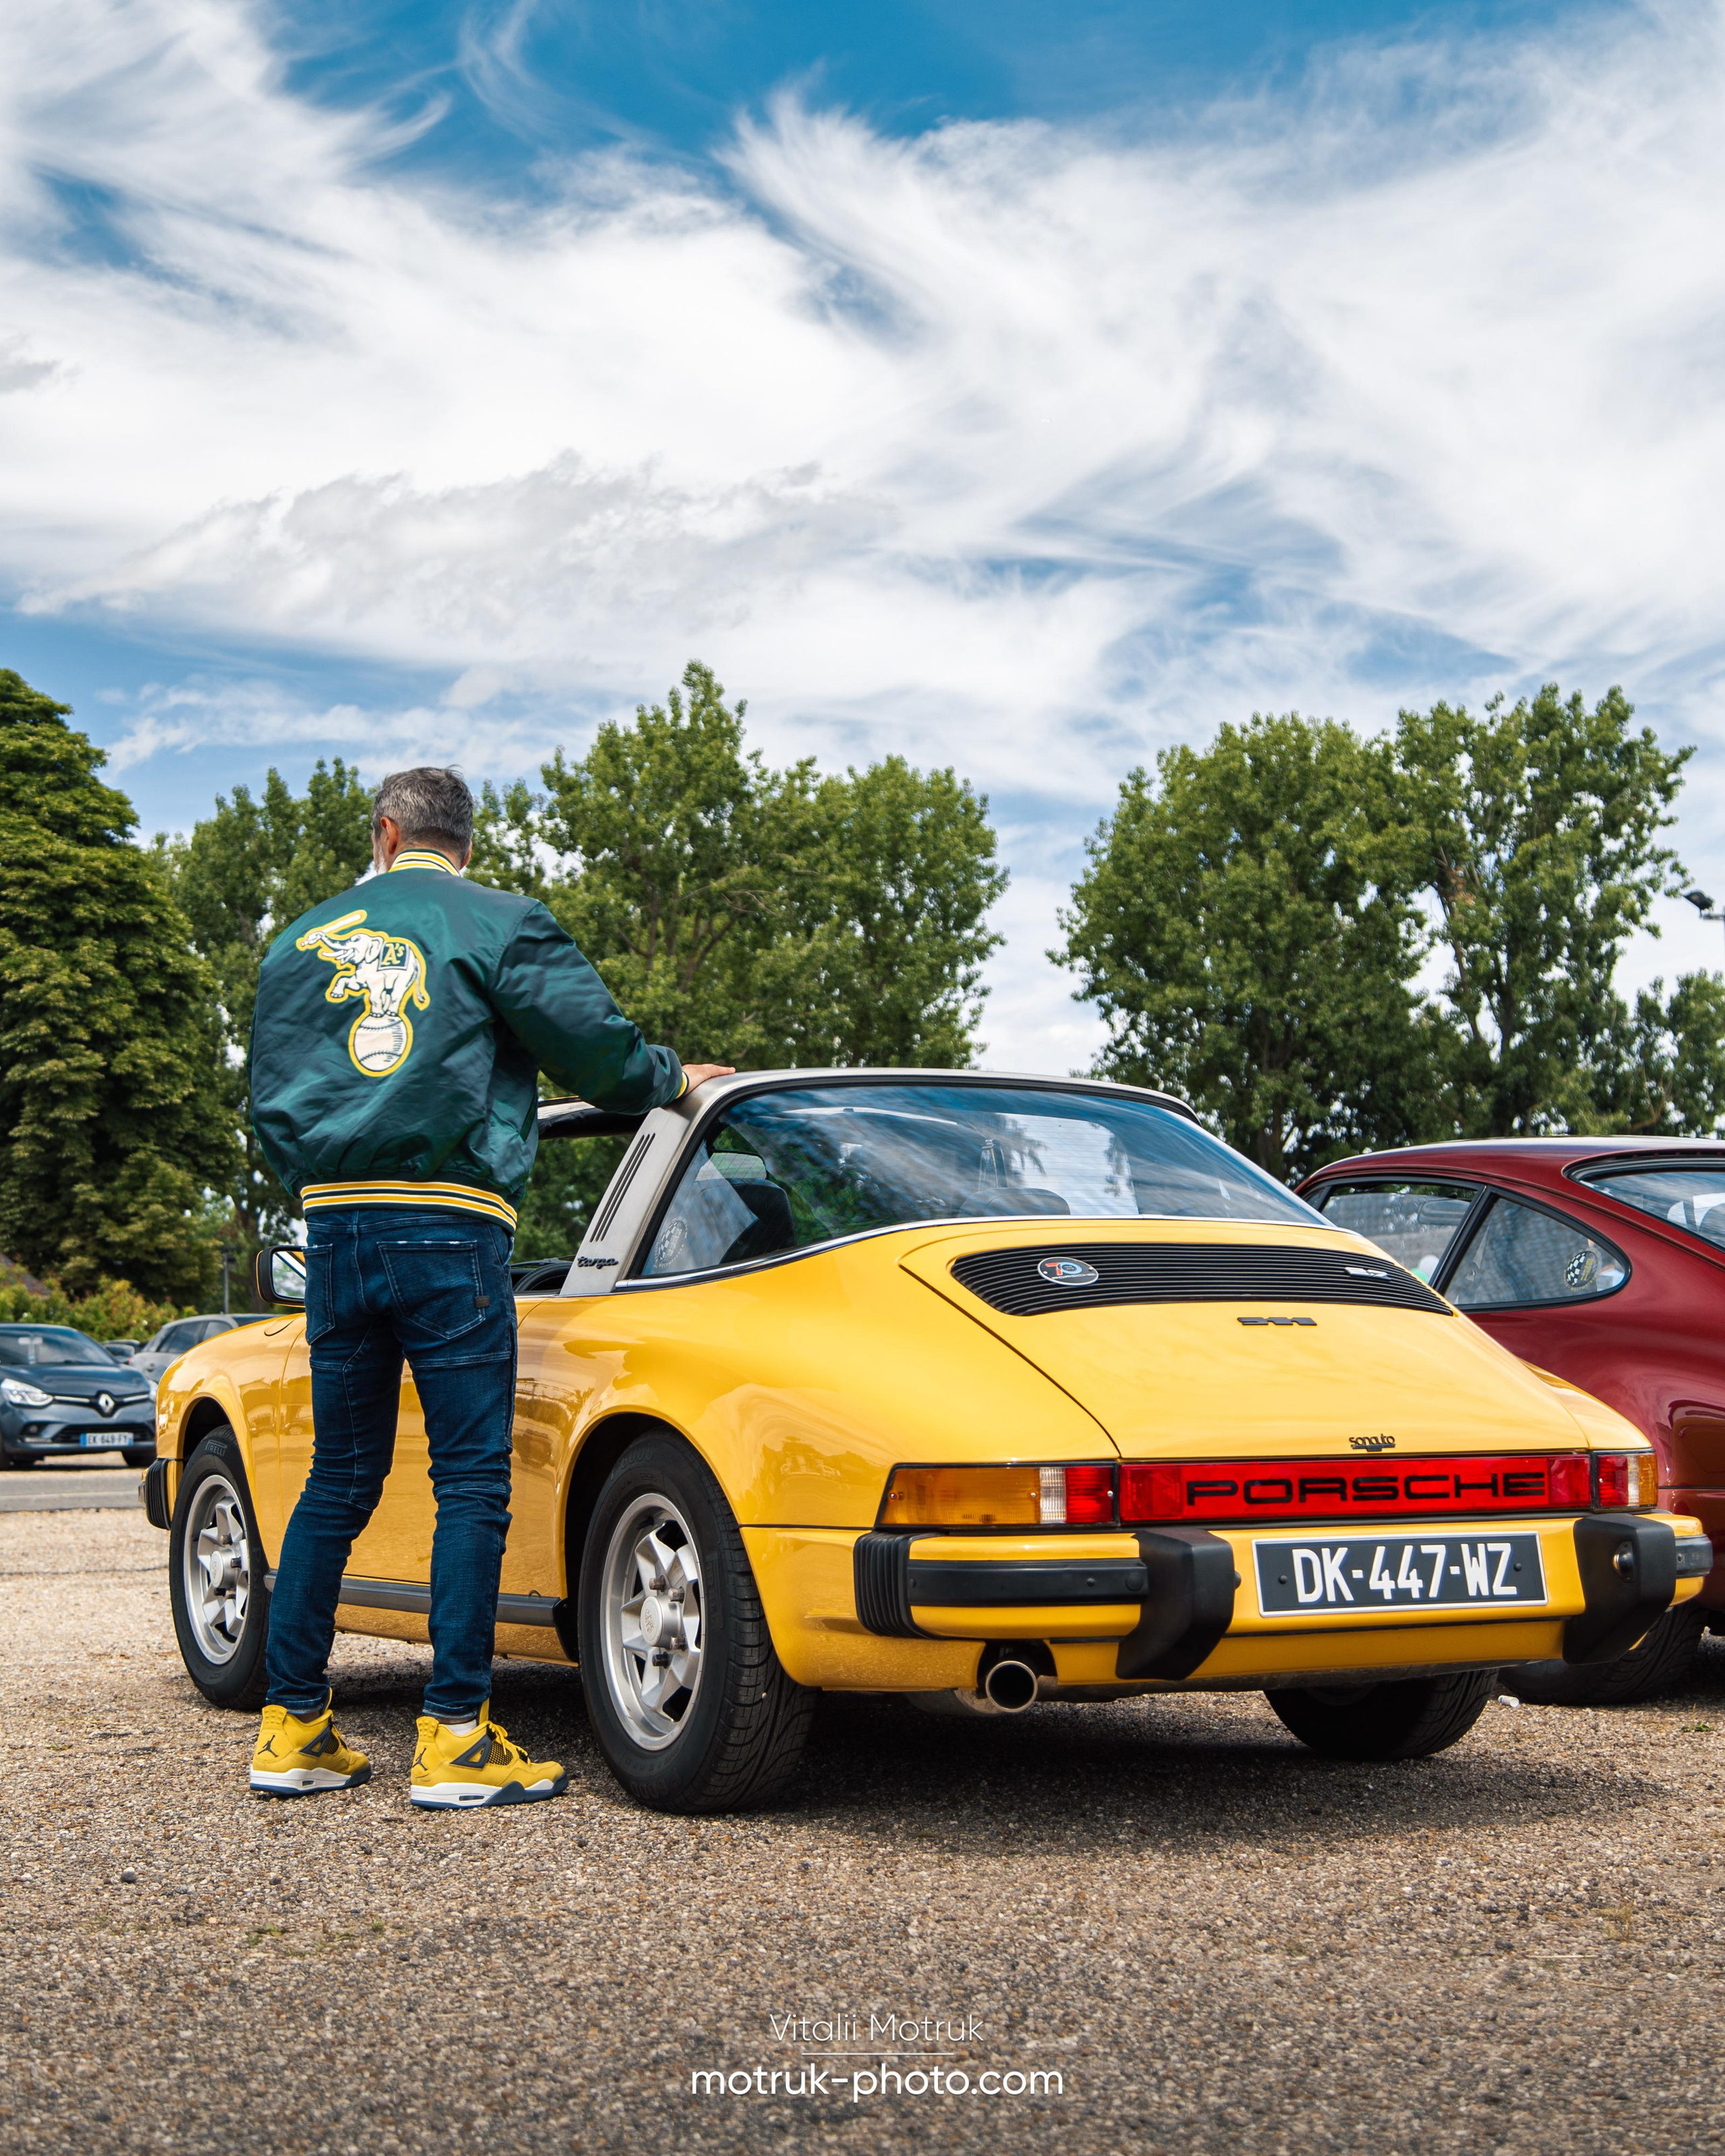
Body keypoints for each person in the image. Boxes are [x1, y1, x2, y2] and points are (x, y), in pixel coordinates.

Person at [245, 766, 731, 1808]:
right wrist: (671, 1076)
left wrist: (323, 1186)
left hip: (333, 1226)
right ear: (464, 840)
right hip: (450, 1224)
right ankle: (454, 1734)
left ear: (385, 835)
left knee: (340, 1478)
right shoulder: (499, 923)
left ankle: (292, 1731)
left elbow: (271, 1097)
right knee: (471, 1479)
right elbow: (598, 1052)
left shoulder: (298, 939)